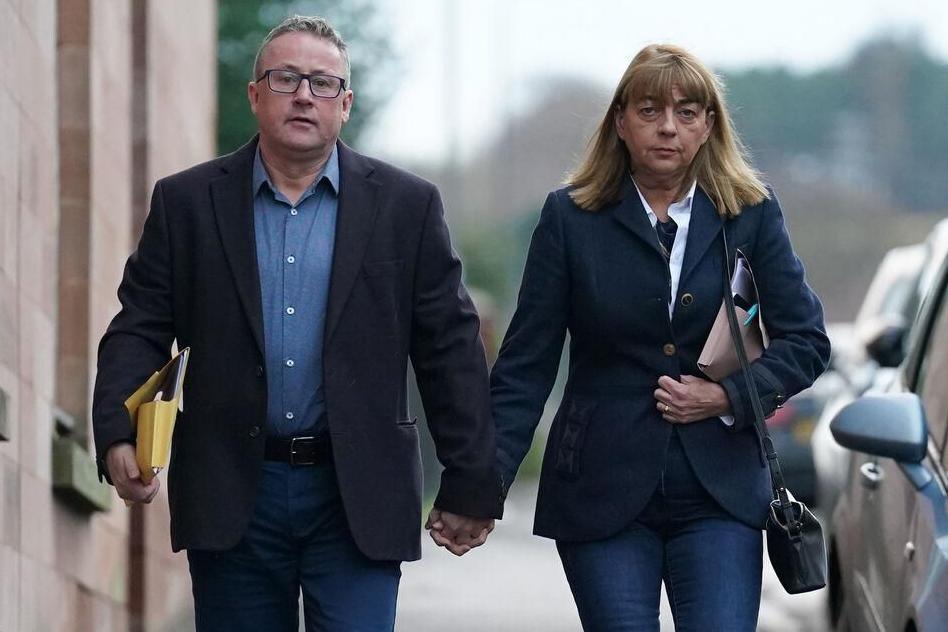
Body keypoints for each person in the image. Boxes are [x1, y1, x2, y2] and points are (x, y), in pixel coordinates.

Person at [92, 15, 501, 632]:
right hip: (233, 492)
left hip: (357, 494)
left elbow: (449, 350)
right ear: (255, 95)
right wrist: (117, 429)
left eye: (322, 82)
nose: (305, 94)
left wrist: (472, 478)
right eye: (285, 79)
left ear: (346, 103)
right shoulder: (187, 203)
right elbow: (141, 324)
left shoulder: (406, 207)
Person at [490, 44, 830, 631]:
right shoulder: (570, 219)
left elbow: (806, 341)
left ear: (708, 127)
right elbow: (526, 364)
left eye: (687, 112)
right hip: (602, 489)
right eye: (649, 110)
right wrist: (483, 482)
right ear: (620, 122)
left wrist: (727, 397)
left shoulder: (750, 212)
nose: (668, 127)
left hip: (720, 490)